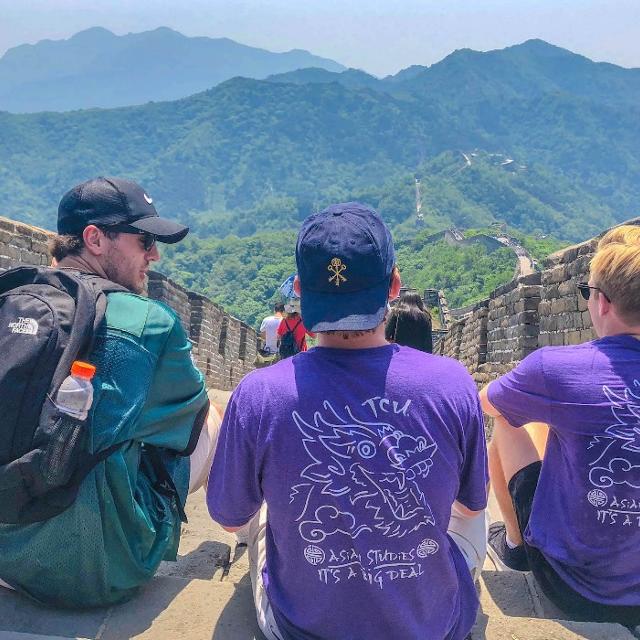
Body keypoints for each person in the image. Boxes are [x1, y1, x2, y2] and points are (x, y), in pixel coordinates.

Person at [207, 202, 488, 640]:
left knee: (261, 523)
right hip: (431, 628)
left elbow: (228, 518)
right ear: (394, 286)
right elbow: (471, 506)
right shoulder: (452, 383)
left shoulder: (259, 394)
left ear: (300, 289)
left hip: (301, 629)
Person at [0, 177, 220, 608]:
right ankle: (248, 534)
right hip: (94, 572)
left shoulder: (9, 298)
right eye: (144, 240)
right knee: (211, 416)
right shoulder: (149, 322)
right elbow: (188, 435)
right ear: (95, 239)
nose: (154, 254)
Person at [480, 224, 640, 625]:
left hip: (572, 586)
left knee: (511, 419)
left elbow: (487, 401)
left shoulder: (558, 369)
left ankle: (515, 545)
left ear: (601, 302)